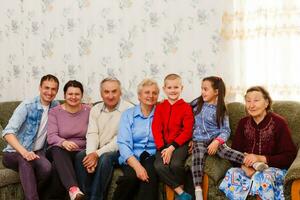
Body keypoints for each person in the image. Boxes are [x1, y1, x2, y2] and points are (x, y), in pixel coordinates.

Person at [190, 76, 267, 200]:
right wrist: (190, 138)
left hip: (215, 139)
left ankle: (253, 163)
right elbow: (183, 113)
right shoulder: (197, 103)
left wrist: (217, 141)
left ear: (216, 92)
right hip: (198, 139)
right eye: (202, 89)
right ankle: (198, 189)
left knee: (225, 151)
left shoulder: (222, 109)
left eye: (205, 89)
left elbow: (226, 130)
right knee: (197, 156)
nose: (202, 92)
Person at [219, 86, 297, 200]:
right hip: (247, 168)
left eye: (256, 100)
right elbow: (235, 152)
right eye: (248, 101)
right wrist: (244, 167)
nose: (251, 105)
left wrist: (261, 158)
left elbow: (290, 156)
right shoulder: (243, 123)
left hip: (273, 170)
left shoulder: (279, 123)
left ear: (266, 103)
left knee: (262, 177)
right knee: (232, 173)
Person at [1, 74, 59, 200]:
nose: (49, 92)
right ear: (40, 87)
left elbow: (70, 113)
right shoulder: (27, 105)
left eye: (53, 89)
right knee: (25, 161)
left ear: (57, 91)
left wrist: (88, 109)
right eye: (46, 88)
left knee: (47, 169)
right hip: (13, 153)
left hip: (37, 152)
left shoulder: (55, 107)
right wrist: (24, 152)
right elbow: (7, 132)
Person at [75, 77, 133, 200]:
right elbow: (92, 133)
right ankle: (86, 196)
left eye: (114, 91)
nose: (110, 96)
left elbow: (121, 139)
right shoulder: (95, 109)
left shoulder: (128, 110)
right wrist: (90, 154)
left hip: (121, 151)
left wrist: (97, 154)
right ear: (101, 94)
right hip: (99, 149)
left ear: (120, 92)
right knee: (81, 156)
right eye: (106, 92)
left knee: (105, 158)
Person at [112, 79, 159, 200]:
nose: (151, 96)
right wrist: (137, 167)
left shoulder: (161, 113)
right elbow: (123, 143)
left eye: (154, 93)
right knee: (130, 178)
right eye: (147, 92)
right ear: (139, 95)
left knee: (149, 177)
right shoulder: (128, 114)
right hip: (132, 156)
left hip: (152, 157)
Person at [152, 74, 194, 200]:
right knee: (159, 166)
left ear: (182, 88)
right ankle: (181, 192)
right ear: (164, 89)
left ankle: (182, 188)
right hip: (163, 144)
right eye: (169, 87)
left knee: (175, 164)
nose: (173, 90)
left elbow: (187, 131)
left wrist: (172, 148)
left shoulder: (186, 107)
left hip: (180, 144)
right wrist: (161, 148)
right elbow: (156, 128)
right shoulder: (160, 107)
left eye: (176, 87)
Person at [47, 80, 90, 200]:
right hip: (58, 150)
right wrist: (64, 142)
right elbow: (51, 136)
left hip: (80, 151)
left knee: (56, 167)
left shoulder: (89, 111)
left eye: (77, 94)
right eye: (70, 94)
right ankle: (73, 188)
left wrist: (79, 145)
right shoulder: (54, 112)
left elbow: (93, 134)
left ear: (82, 95)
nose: (73, 97)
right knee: (57, 149)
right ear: (65, 95)